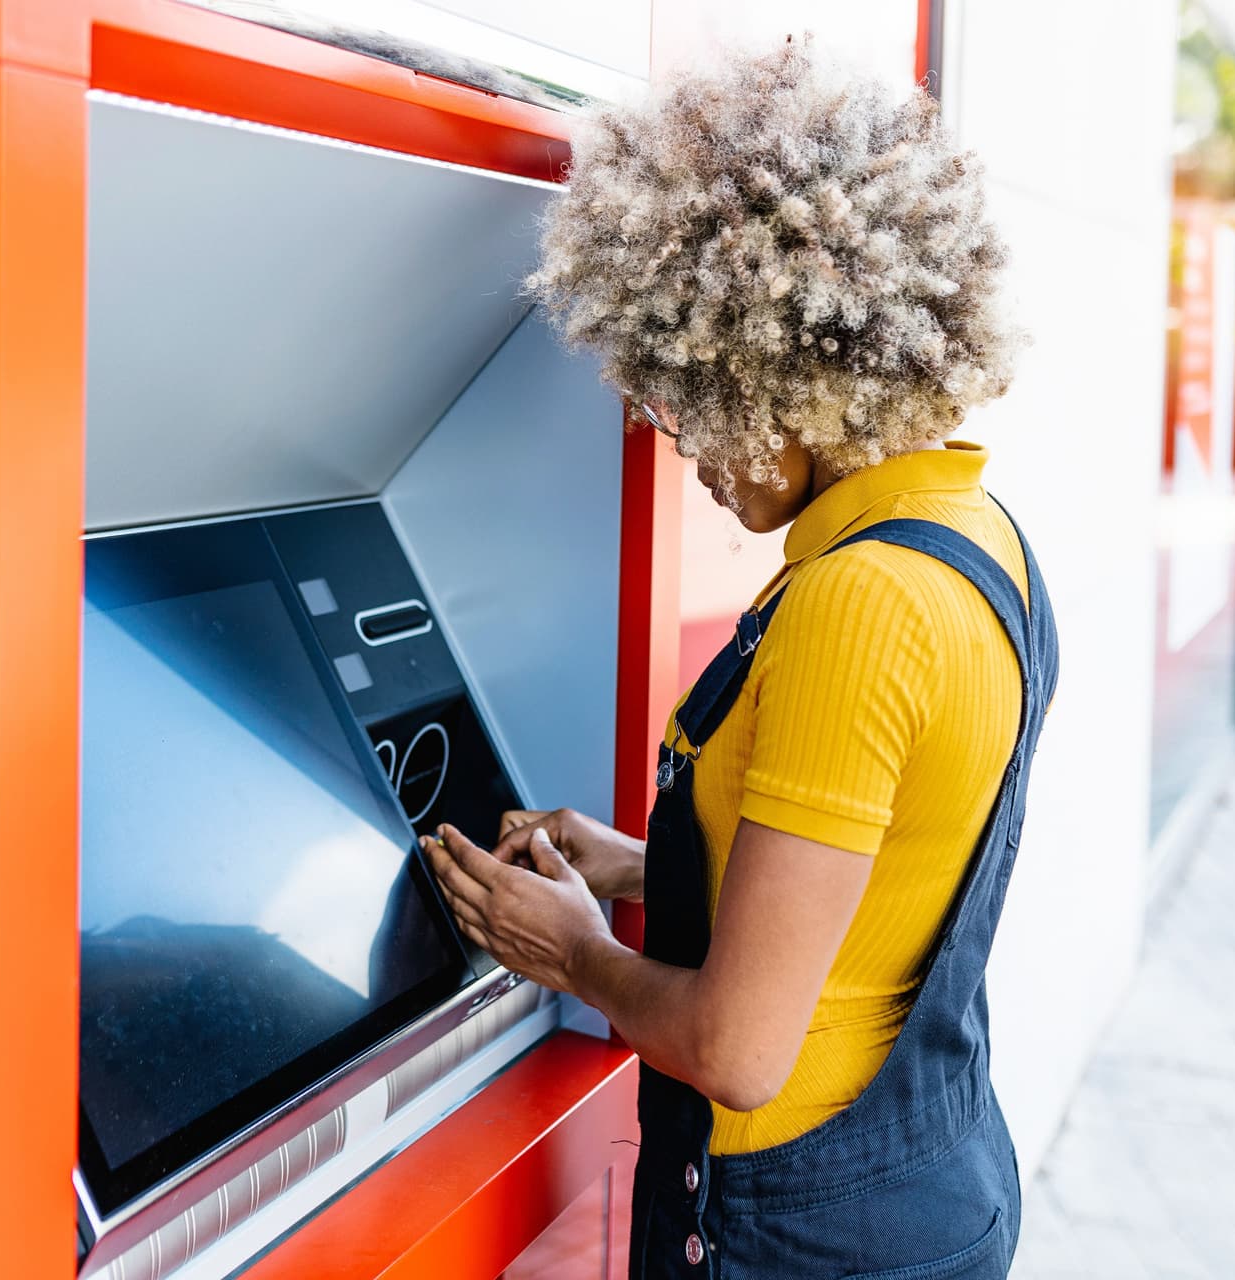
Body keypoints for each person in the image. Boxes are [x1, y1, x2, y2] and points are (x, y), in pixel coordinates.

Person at [423, 38, 1057, 1280]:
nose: (689, 453)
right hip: (930, 1177)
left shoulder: (857, 604)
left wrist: (572, 946)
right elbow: (877, 879)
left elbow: (738, 1048)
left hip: (795, 1231)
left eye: (694, 401)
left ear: (784, 369)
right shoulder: (980, 540)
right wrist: (631, 860)